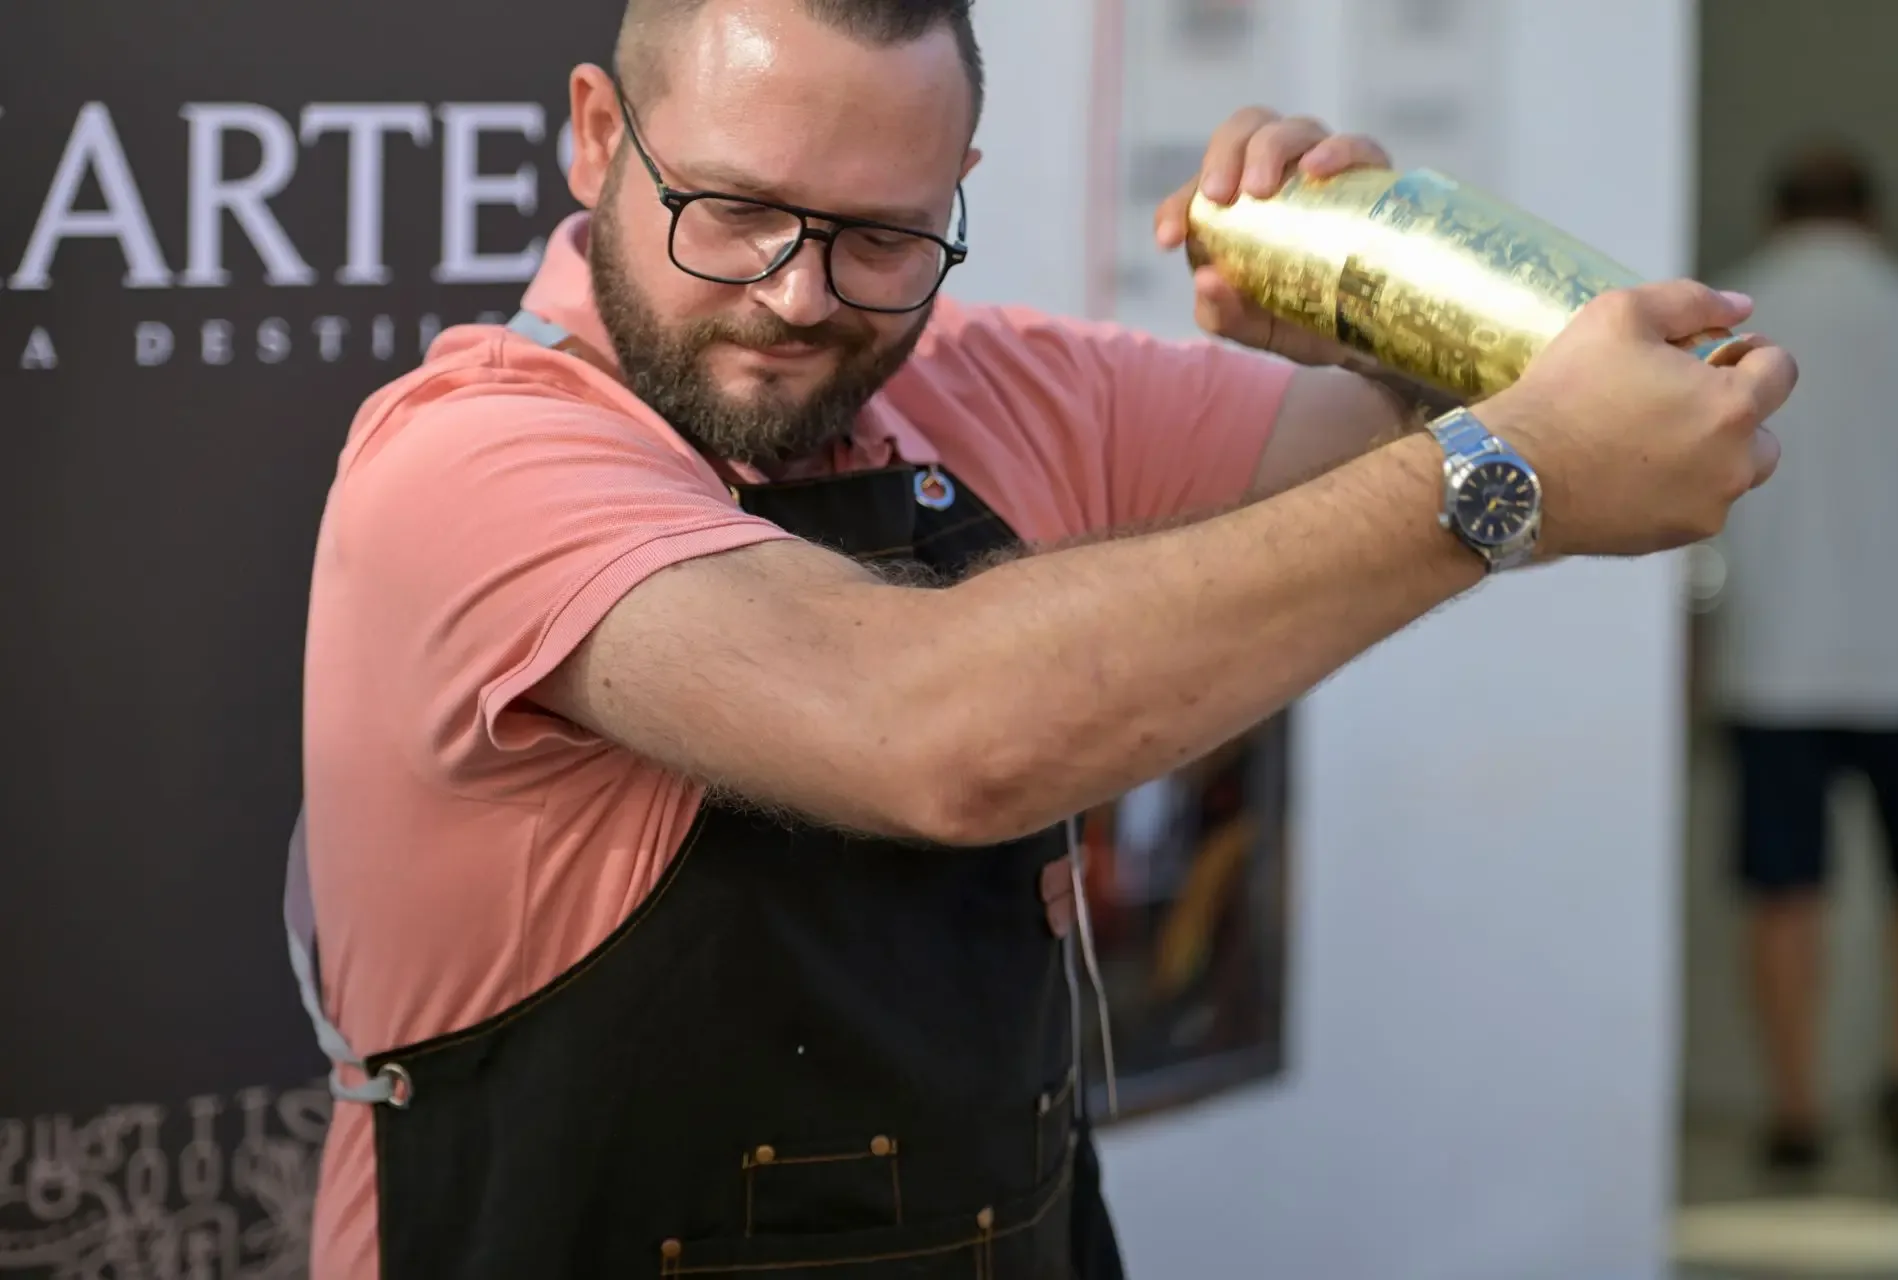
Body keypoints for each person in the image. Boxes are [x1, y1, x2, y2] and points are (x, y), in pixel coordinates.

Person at [287, 0, 1793, 1274]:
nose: (798, 297)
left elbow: (1573, 415)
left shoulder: (993, 390)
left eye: (880, 234)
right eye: (734, 211)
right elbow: (931, 730)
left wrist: (1383, 285)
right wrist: (1500, 478)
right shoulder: (470, 460)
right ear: (597, 137)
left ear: (956, 190)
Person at [1705, 144, 1898, 1172]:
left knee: (1785, 889)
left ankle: (1795, 1107)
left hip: (1775, 652)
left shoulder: (1730, 325)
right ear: (1872, 214)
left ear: (1777, 213)